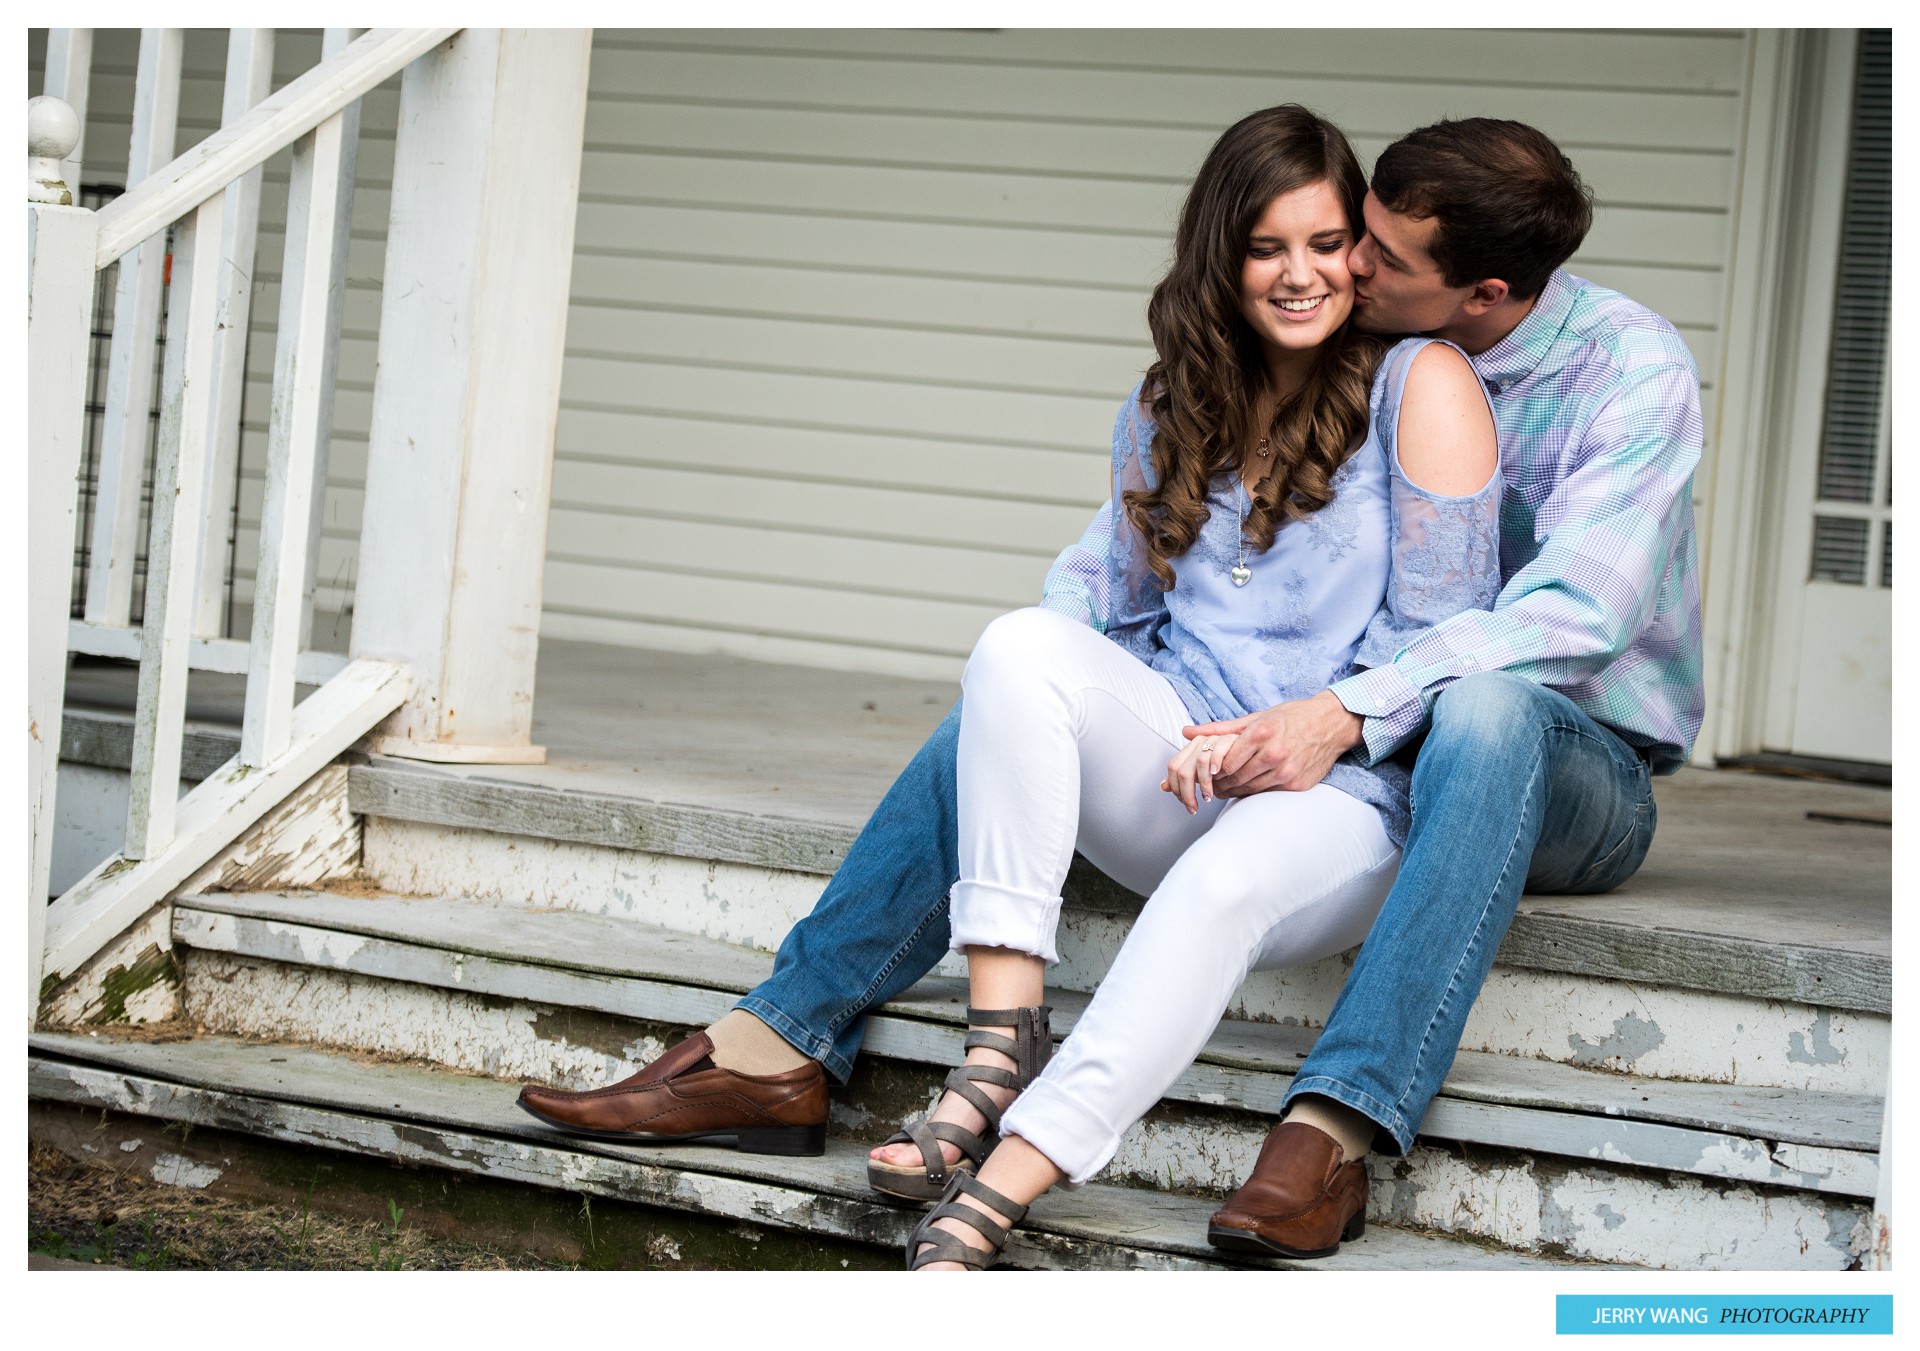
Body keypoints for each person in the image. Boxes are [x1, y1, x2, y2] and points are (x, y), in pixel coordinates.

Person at [517, 111, 1704, 1267]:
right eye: (1338, 234)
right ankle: (788, 1041)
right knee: (1022, 662)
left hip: (1565, 748)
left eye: (1369, 254)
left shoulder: (1617, 373)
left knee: (1478, 714)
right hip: (1318, 726)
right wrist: (1062, 703)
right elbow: (1105, 583)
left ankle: (1337, 1121)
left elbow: (1576, 619)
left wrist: (1340, 713)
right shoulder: (1256, 375)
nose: (1341, 267)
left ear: (1483, 296)